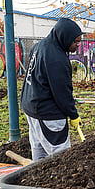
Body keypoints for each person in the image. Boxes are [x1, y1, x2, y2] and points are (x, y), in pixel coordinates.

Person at [20, 18, 83, 162]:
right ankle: (60, 183)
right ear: (64, 38)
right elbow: (62, 93)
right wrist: (73, 114)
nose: (77, 45)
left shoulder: (40, 46)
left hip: (31, 106)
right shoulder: (57, 59)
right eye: (75, 42)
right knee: (60, 156)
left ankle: (36, 179)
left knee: (39, 150)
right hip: (47, 113)